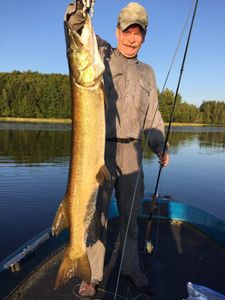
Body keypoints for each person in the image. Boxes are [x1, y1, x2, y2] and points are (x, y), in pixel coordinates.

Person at [65, 1, 170, 296]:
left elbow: (153, 116)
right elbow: (76, 31)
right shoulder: (102, 55)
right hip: (100, 150)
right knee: (96, 216)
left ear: (144, 37)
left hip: (134, 154)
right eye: (127, 30)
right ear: (117, 31)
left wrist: (160, 146)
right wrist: (79, 10)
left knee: (130, 216)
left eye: (138, 32)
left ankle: (130, 266)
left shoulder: (148, 73)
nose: (132, 38)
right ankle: (92, 274)